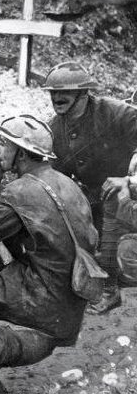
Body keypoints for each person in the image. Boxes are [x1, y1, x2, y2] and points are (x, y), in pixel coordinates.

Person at [0, 115, 98, 377]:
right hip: (70, 302)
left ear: (21, 154)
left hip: (43, 303)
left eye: (4, 144)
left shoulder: (20, 190)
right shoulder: (67, 183)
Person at [45, 61, 137, 313]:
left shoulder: (117, 113)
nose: (57, 98)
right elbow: (56, 176)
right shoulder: (55, 129)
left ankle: (109, 289)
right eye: (53, 92)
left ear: (84, 93)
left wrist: (129, 180)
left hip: (128, 199)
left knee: (124, 253)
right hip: (96, 204)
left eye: (65, 92)